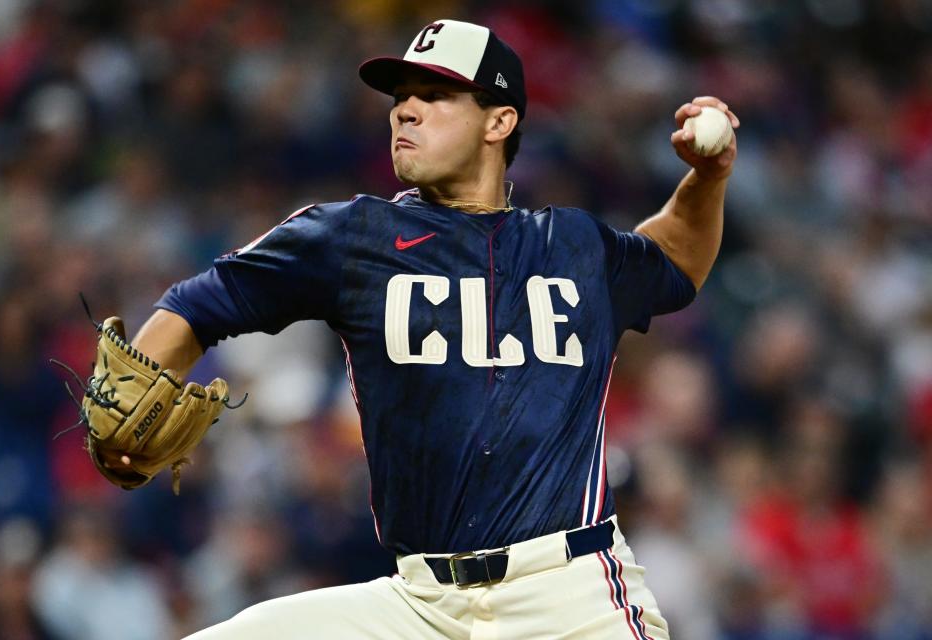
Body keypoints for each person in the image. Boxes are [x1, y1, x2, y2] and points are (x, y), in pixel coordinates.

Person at [108, 19, 738, 639]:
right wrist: (120, 407)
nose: (404, 111)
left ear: (500, 121)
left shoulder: (573, 245)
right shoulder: (351, 237)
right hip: (419, 605)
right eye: (400, 98)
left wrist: (707, 178)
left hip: (568, 595)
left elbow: (676, 258)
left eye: (434, 96)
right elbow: (194, 306)